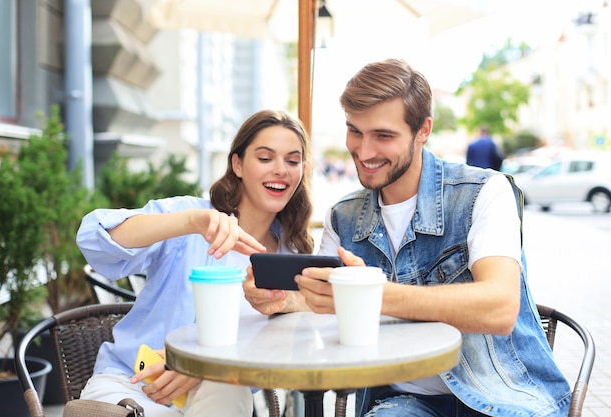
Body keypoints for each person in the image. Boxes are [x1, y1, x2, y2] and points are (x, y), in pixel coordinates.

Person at [244, 59, 571, 416]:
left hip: (505, 396)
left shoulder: (483, 192)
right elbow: (326, 307)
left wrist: (370, 294)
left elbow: (501, 307)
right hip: (404, 404)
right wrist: (285, 301)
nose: (364, 152)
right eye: (355, 131)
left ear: (423, 130)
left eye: (383, 136)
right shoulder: (343, 216)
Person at [76, 109, 314, 417]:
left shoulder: (292, 258)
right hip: (131, 386)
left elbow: (285, 348)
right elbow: (93, 238)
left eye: (292, 161)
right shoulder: (192, 218)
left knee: (229, 385)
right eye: (266, 158)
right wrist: (192, 222)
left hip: (217, 395)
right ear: (238, 164)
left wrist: (201, 366)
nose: (280, 170)